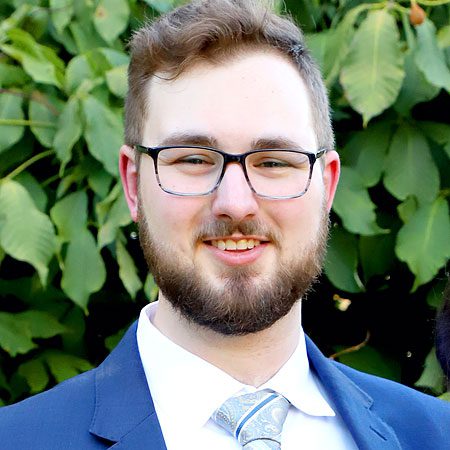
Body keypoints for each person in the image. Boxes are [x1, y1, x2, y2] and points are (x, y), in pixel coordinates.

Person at [1, 1, 449, 448]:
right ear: (134, 185)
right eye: (194, 159)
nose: (236, 204)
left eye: (274, 161)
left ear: (327, 186)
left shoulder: (434, 434)